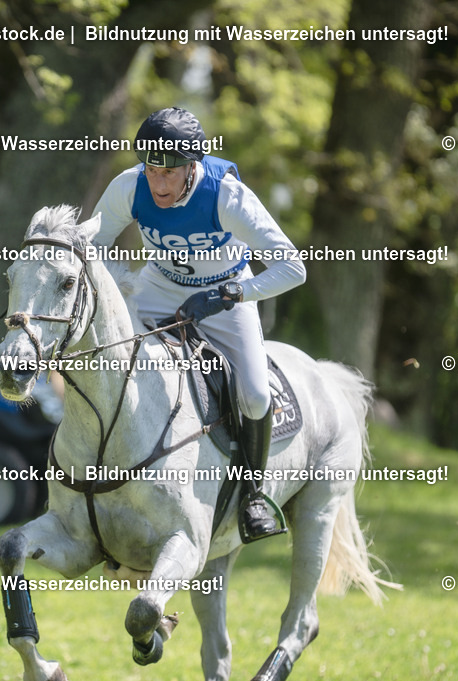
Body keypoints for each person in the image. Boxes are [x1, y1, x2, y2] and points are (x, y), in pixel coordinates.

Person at [91, 107, 307, 542]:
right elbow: (91, 243)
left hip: (227, 293)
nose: (159, 184)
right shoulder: (128, 188)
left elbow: (293, 267)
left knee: (255, 393)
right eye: (152, 169)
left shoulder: (226, 196)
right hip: (158, 284)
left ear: (194, 167)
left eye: (170, 173)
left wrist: (230, 295)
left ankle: (253, 494)